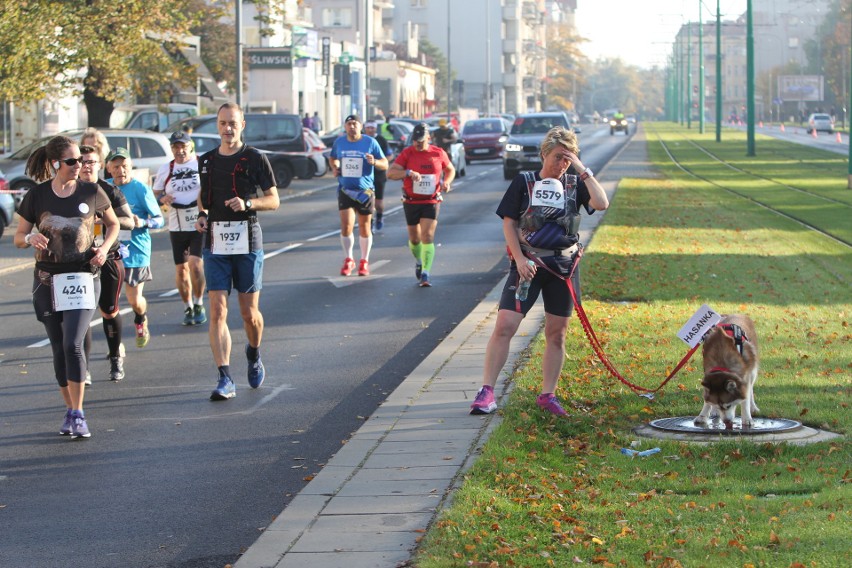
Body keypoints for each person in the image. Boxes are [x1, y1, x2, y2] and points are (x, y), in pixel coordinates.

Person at [469, 126, 609, 417]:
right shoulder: (524, 182)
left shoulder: (574, 182)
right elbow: (509, 222)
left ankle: (548, 395)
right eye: (558, 157)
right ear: (544, 154)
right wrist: (519, 259)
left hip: (563, 267)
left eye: (568, 159)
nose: (562, 164)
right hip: (529, 264)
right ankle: (487, 391)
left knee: (556, 333)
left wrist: (582, 169)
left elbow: (601, 203)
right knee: (505, 325)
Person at [14, 135, 119, 438]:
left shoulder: (91, 190)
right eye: (72, 161)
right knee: (59, 347)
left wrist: (103, 249)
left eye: (82, 160)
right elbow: (18, 236)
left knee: (73, 342)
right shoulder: (37, 196)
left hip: (84, 276)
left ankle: (79, 412)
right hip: (47, 279)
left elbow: (112, 224)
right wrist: (30, 238)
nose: (79, 166)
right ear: (55, 164)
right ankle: (69, 410)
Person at [196, 102, 280, 401]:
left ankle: (254, 352)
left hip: (247, 240)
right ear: (217, 126)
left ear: (242, 125)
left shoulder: (255, 158)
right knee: (217, 308)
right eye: (222, 123)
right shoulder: (205, 161)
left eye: (232, 123)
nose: (227, 129)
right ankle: (224, 377)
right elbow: (203, 200)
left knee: (249, 314)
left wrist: (247, 204)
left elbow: (273, 200)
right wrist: (202, 216)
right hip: (216, 242)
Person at [79, 143, 135, 382]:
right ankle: (84, 368)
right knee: (81, 314)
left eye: (91, 162)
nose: (85, 166)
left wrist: (103, 218)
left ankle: (115, 357)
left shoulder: (109, 192)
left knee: (109, 310)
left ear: (100, 165)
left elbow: (129, 222)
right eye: (81, 162)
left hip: (109, 258)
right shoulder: (70, 191)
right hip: (79, 262)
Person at [106, 148, 164, 349]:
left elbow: (159, 220)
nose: (121, 170)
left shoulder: (140, 189)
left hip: (135, 250)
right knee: (108, 302)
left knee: (134, 300)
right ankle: (115, 344)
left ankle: (140, 317)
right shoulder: (105, 188)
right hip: (110, 250)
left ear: (130, 167)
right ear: (109, 169)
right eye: (116, 166)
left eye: (124, 166)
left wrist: (141, 222)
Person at [387, 123, 455, 287]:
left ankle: (425, 273)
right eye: (415, 140)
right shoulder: (407, 153)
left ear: (428, 138)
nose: (417, 144)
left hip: (431, 200)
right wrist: (408, 173)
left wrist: (446, 182)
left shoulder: (438, 153)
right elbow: (391, 173)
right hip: (411, 200)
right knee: (414, 239)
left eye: (421, 141)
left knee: (427, 236)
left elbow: (450, 169)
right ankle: (419, 260)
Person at [153, 131, 207, 326]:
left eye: (183, 146)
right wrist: (162, 199)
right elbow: (156, 193)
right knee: (181, 270)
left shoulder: (201, 163)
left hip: (198, 221)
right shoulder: (166, 169)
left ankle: (199, 302)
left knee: (195, 264)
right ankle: (188, 306)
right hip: (177, 223)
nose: (180, 150)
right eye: (176, 147)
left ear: (190, 146)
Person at [329, 114, 388, 277]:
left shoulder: (370, 142)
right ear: (345, 127)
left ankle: (364, 260)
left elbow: (385, 163)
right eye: (348, 124)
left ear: (360, 126)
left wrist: (374, 162)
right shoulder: (339, 142)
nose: (352, 126)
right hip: (345, 189)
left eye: (355, 123)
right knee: (346, 226)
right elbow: (333, 157)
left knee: (364, 226)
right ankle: (349, 259)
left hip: (365, 192)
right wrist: (335, 166)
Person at [363, 120, 392, 232]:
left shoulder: (381, 140)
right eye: (368, 127)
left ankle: (379, 216)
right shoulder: (361, 140)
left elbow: (389, 156)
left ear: (375, 129)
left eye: (372, 128)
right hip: (365, 175)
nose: (370, 130)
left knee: (378, 204)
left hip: (378, 175)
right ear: (365, 128)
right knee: (367, 202)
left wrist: (380, 162)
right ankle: (369, 223)